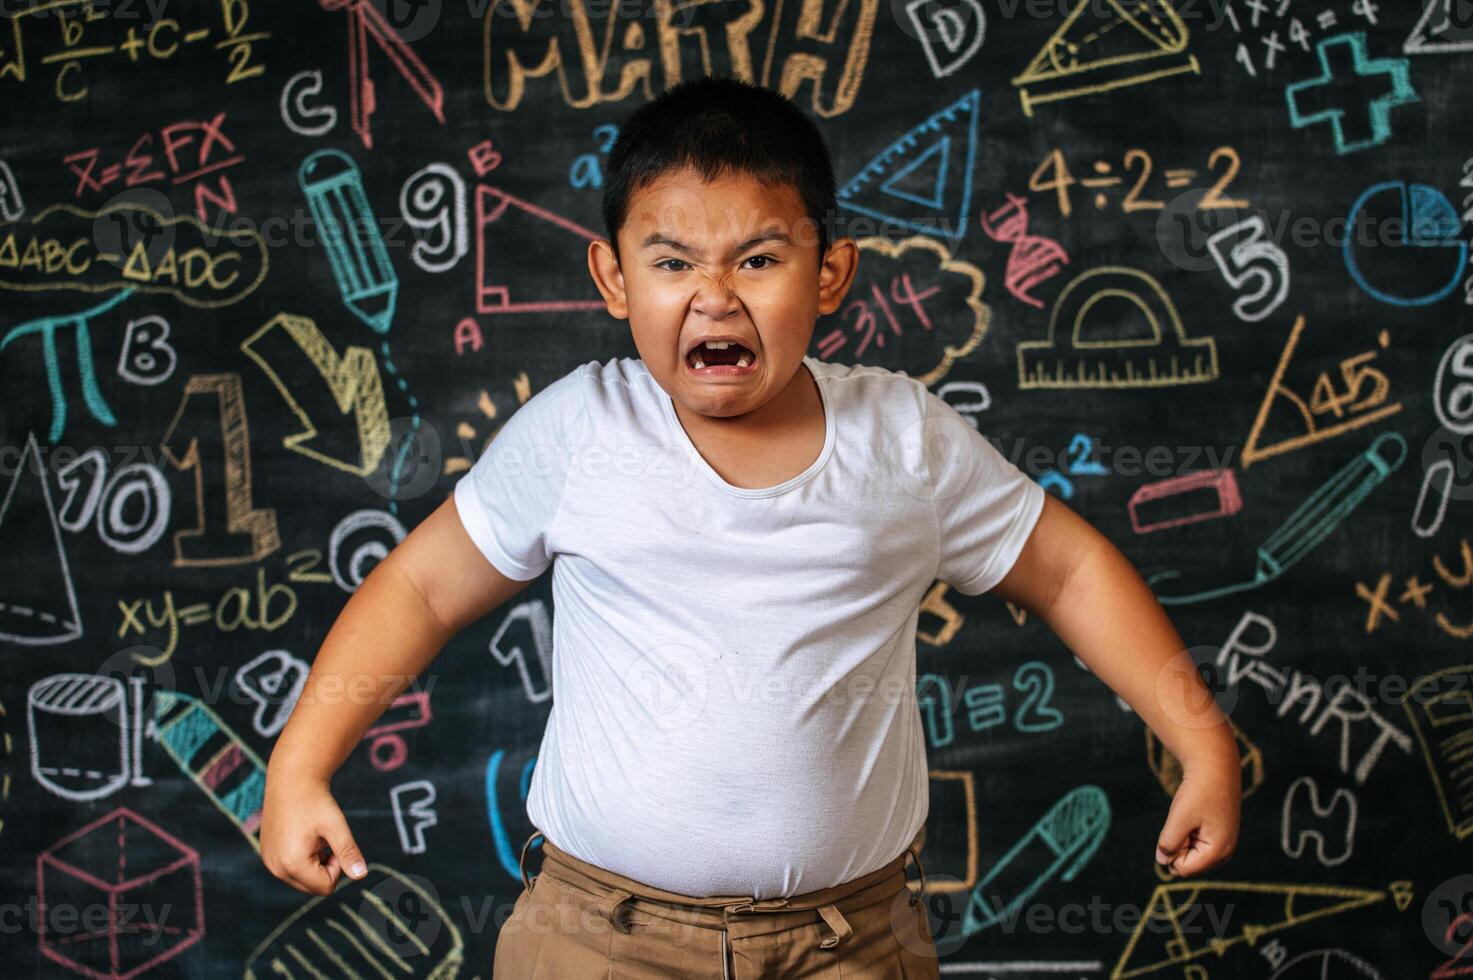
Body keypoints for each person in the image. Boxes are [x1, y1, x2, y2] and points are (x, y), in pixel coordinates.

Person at [260, 74, 1241, 978]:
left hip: (851, 937)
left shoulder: (902, 435)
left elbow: (1069, 569)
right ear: (612, 279)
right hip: (600, 933)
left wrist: (1202, 744)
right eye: (671, 259)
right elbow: (422, 586)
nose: (714, 294)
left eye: (760, 257)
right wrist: (301, 764)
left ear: (831, 273)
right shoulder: (578, 430)